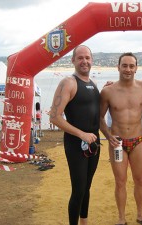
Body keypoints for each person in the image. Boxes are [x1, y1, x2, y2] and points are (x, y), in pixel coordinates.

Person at [49, 45, 100, 225]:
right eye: (80, 58)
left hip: (94, 143)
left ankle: (84, 222)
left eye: (87, 57)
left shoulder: (92, 84)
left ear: (92, 60)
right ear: (73, 60)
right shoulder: (68, 83)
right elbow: (54, 117)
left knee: (87, 187)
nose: (84, 61)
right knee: (78, 189)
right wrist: (81, 134)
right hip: (76, 144)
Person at [100, 52, 142, 225]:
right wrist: (108, 136)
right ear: (118, 67)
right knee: (120, 181)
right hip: (117, 143)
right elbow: (99, 118)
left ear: (136, 68)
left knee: (140, 179)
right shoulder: (108, 91)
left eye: (131, 66)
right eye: (124, 65)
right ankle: (121, 218)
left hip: (137, 141)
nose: (128, 69)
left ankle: (140, 214)